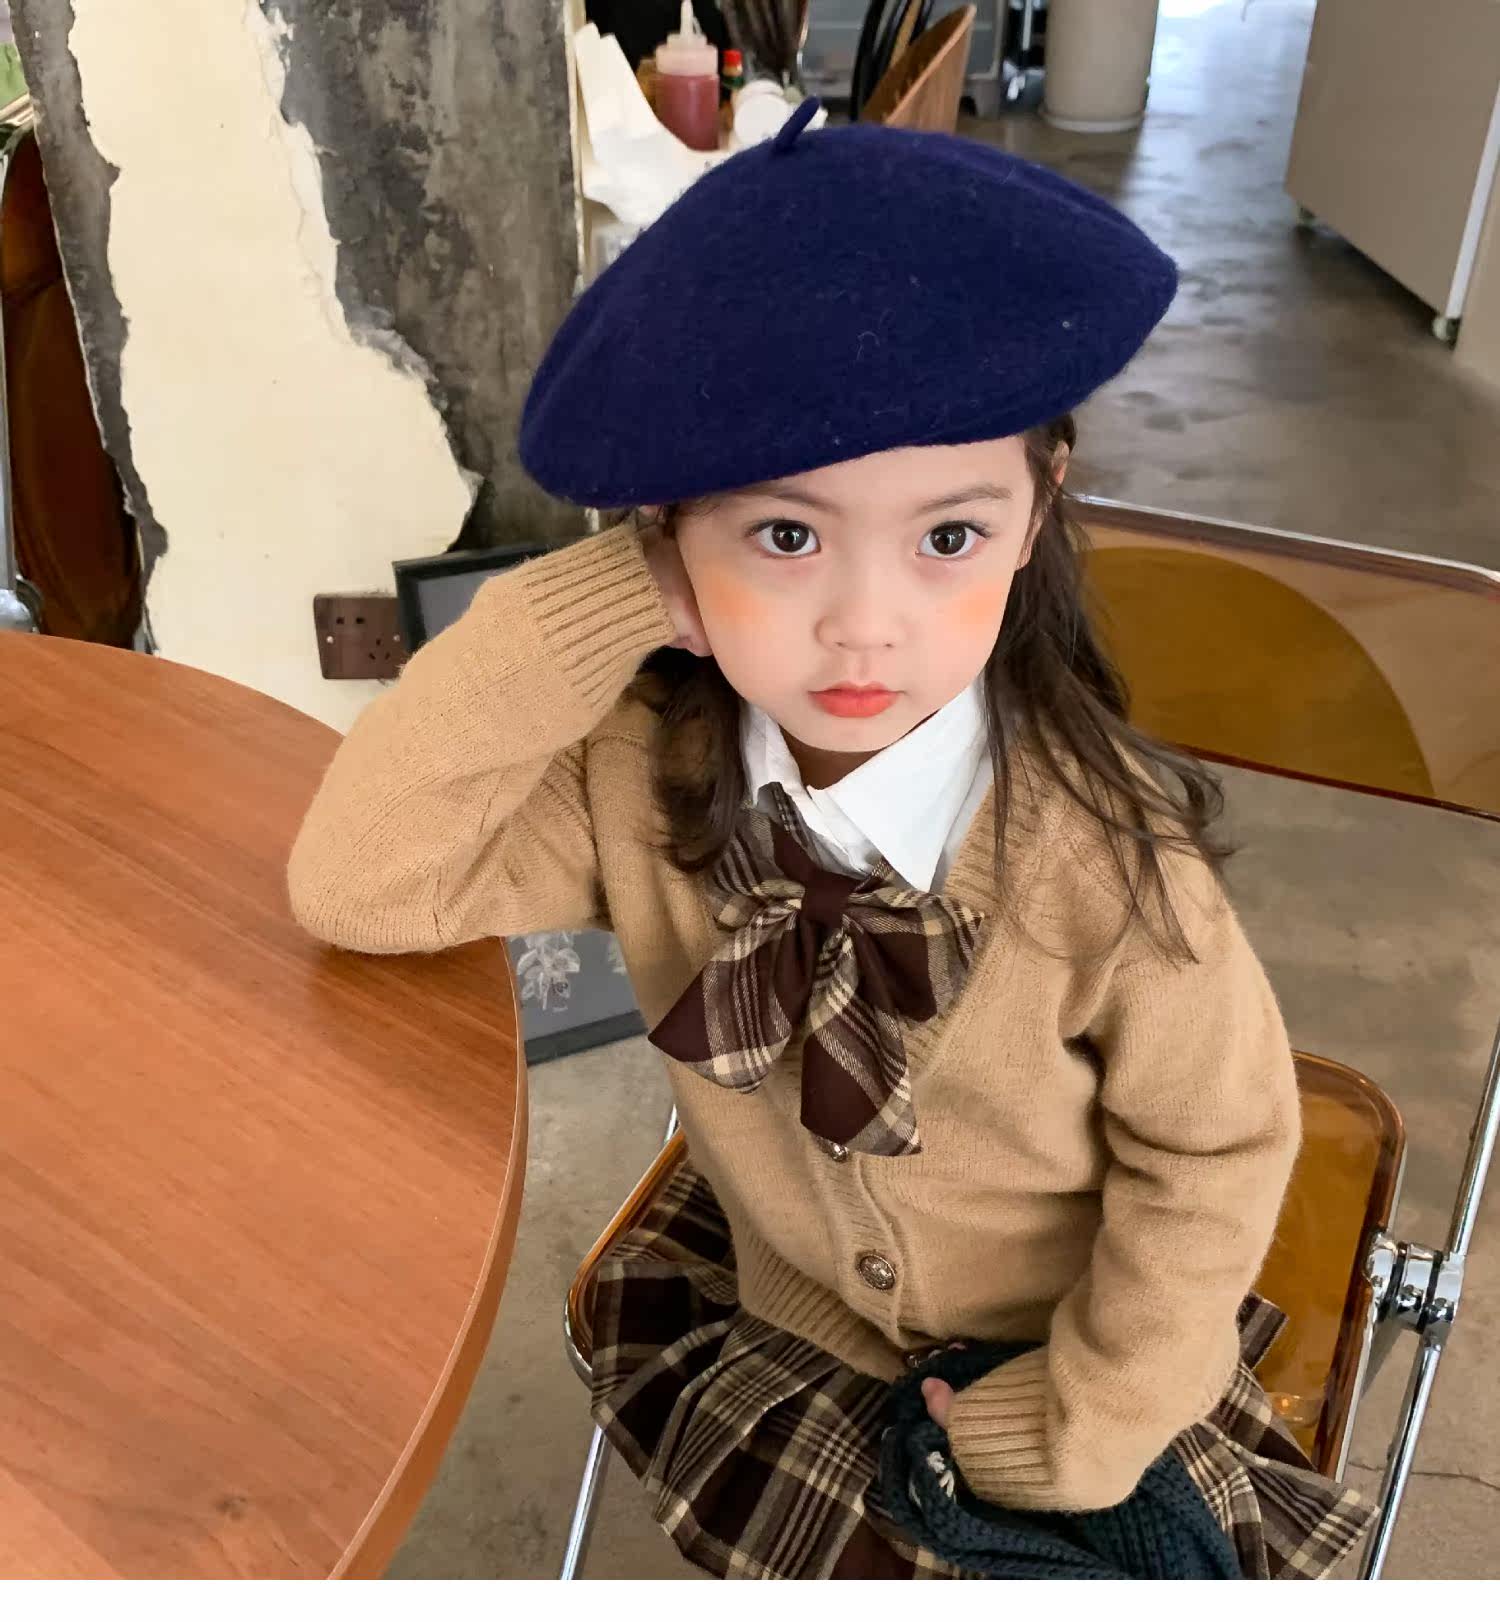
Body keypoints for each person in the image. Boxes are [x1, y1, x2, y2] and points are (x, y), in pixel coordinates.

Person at [288, 104, 1371, 1579]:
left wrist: (1082, 1420)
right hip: (782, 1302)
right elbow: (362, 881)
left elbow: (1218, 1148)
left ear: (1038, 511)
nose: (867, 627)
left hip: (1068, 1348)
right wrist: (593, 598)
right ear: (670, 533)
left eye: (948, 537)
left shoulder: (1105, 861)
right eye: (785, 537)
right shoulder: (644, 777)